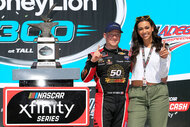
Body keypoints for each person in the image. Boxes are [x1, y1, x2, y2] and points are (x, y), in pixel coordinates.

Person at [81, 22, 131, 127]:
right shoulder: (95, 55)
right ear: (105, 36)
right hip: (104, 99)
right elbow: (84, 78)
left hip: (123, 100)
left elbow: (139, 72)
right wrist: (93, 62)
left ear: (120, 36)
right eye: (111, 34)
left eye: (117, 34)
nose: (114, 37)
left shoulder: (127, 55)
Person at [128, 15, 171, 127]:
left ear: (152, 28)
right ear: (137, 31)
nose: (144, 31)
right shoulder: (133, 48)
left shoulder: (163, 48)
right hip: (137, 94)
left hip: (158, 94)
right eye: (140, 29)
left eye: (147, 27)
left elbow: (163, 75)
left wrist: (163, 59)